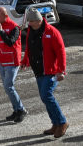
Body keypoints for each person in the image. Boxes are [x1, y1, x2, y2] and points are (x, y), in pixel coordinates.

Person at [21, 8, 68, 138]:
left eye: (31, 22)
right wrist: (25, 61)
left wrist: (61, 70)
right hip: (38, 70)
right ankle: (55, 124)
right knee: (44, 97)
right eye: (29, 22)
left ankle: (62, 122)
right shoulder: (31, 31)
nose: (29, 24)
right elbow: (29, 48)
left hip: (51, 71)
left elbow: (61, 52)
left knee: (46, 95)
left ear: (38, 21)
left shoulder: (52, 32)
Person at [0, 7, 26, 122]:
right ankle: (16, 110)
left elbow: (10, 42)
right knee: (7, 88)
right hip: (2, 61)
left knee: (9, 87)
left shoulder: (14, 28)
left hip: (12, 62)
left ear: (6, 16)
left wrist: (1, 30)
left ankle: (21, 110)